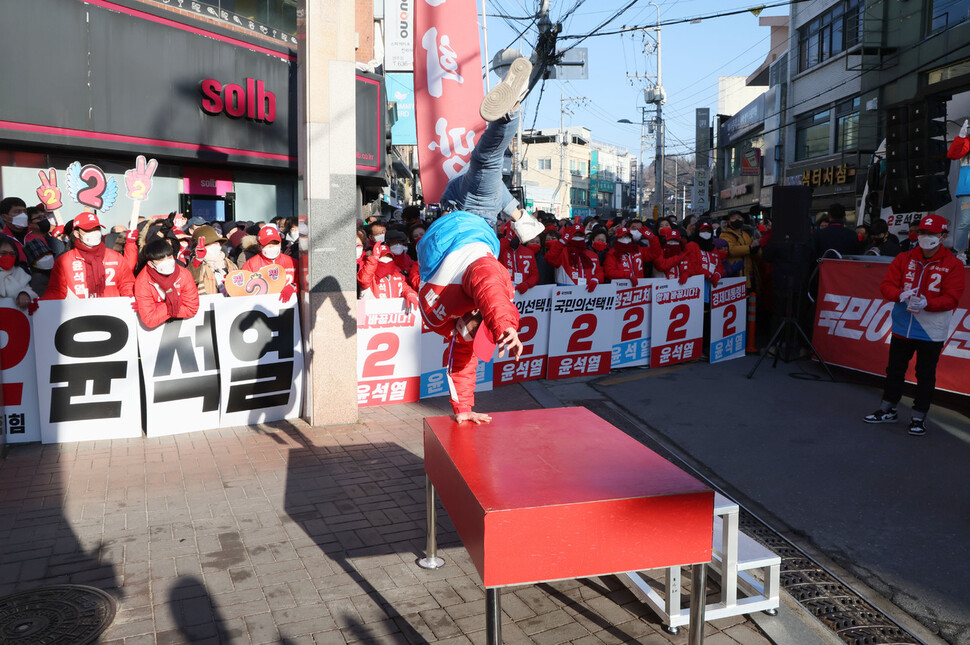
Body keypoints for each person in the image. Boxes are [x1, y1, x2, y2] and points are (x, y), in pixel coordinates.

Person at [863, 214, 966, 435]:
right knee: (895, 370)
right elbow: (886, 286)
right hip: (903, 326)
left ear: (943, 236)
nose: (925, 237)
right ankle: (887, 409)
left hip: (931, 330)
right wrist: (900, 294)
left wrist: (929, 303)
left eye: (931, 233)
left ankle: (919, 416)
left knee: (925, 374)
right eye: (922, 232)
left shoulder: (953, 264)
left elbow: (952, 298)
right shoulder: (903, 258)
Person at [43, 212, 135, 299]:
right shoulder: (65, 260)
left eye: (97, 229)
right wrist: (42, 304)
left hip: (111, 312)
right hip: (80, 312)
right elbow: (56, 290)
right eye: (88, 230)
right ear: (77, 234)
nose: (94, 233)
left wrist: (130, 299)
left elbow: (127, 283)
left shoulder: (115, 257)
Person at [134, 238, 201, 328]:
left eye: (169, 257)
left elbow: (191, 308)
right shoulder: (143, 282)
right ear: (150, 264)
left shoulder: (184, 274)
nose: (167, 262)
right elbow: (149, 319)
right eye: (161, 259)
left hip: (183, 328)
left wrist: (159, 307)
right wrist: (176, 302)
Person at [241, 225, 298, 302]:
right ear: (259, 246)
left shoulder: (292, 262)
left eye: (275, 243)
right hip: (263, 309)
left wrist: (294, 286)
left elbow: (305, 284)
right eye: (267, 244)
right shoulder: (250, 265)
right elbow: (244, 290)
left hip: (289, 308)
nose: (272, 247)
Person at [545, 224, 604, 289]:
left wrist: (596, 279)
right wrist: (562, 241)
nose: (577, 237)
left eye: (580, 235)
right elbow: (550, 259)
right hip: (565, 293)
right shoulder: (562, 252)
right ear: (569, 236)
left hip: (587, 292)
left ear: (584, 237)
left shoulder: (592, 255)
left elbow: (599, 271)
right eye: (575, 235)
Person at [946, 118, 970, 263]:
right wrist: (960, 138)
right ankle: (960, 252)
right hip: (968, 191)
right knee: (966, 222)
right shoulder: (967, 143)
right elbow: (952, 155)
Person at [189, 225, 236, 295]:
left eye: (216, 243)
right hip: (208, 303)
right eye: (209, 244)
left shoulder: (229, 263)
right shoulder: (197, 264)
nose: (214, 246)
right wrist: (198, 260)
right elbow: (191, 278)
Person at [498, 222, 539, 294]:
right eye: (513, 233)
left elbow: (534, 274)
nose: (515, 236)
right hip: (504, 291)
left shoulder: (528, 252)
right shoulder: (501, 249)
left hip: (524, 293)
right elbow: (496, 255)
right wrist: (508, 239)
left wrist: (527, 284)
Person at [721, 210, 758, 289]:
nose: (737, 220)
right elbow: (732, 250)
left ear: (743, 220)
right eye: (733, 218)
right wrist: (750, 248)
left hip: (749, 274)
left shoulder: (746, 234)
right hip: (735, 274)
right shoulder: (725, 234)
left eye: (739, 217)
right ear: (728, 222)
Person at [0, 237, 37, 311]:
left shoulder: (20, 272)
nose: (8, 256)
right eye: (3, 253)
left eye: (12, 254)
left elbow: (29, 290)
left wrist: (25, 294)